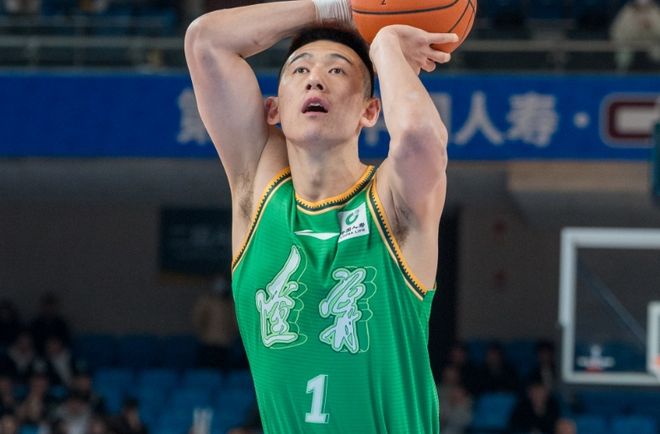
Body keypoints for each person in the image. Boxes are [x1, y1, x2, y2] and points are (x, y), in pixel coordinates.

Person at [185, 0, 454, 431]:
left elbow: (420, 139)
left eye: (337, 71)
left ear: (370, 111)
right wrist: (339, 9)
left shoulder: (392, 202)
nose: (315, 79)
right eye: (300, 70)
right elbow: (206, 42)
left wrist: (385, 43)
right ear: (273, 108)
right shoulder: (259, 190)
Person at [192, 274, 239, 371]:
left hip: (225, 345)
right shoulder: (206, 301)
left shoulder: (230, 304)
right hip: (208, 343)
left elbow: (235, 324)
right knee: (207, 372)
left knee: (223, 371)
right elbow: (198, 320)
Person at [610, 0, 660, 71]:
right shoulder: (627, 12)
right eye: (639, 7)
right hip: (630, 43)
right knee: (623, 55)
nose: (642, 9)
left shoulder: (655, 12)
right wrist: (635, 28)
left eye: (646, 7)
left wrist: (650, 26)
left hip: (652, 43)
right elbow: (616, 32)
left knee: (657, 53)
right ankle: (621, 75)